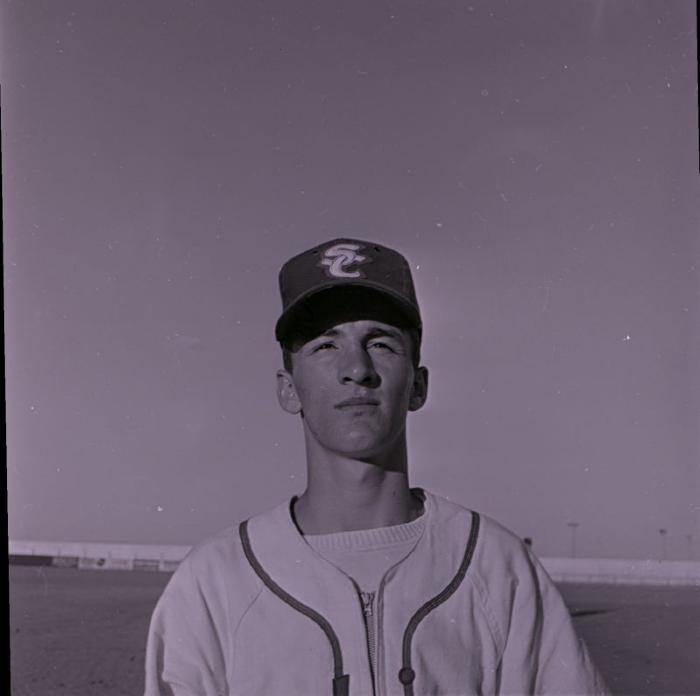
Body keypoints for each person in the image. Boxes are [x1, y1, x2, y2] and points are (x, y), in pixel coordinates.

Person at [145, 238, 609, 695]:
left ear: (418, 385)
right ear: (288, 388)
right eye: (326, 346)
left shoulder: (499, 568)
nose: (357, 369)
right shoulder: (212, 583)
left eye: (381, 343)